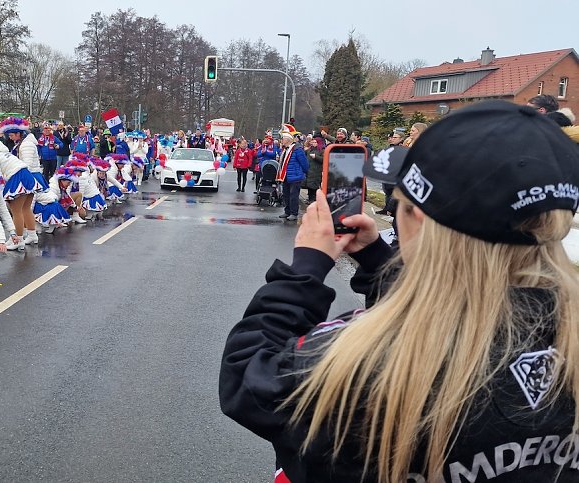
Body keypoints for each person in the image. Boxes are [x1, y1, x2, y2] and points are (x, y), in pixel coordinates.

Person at [219, 100, 579, 483]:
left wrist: (306, 269)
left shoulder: (371, 366)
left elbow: (249, 375)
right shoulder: (564, 338)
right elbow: (463, 307)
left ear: (418, 218)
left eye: (399, 205)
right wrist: (378, 261)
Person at [0, 129, 44, 250]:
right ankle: (32, 234)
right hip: (26, 175)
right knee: (26, 208)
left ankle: (18, 240)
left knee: (16, 211)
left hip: (17, 177)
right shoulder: (2, 151)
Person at [275, 125, 308, 221]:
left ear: (288, 139)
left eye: (283, 139)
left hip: (295, 176)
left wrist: (303, 173)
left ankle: (294, 213)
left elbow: (304, 164)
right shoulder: (285, 149)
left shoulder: (297, 149)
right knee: (286, 194)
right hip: (286, 176)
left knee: (293, 195)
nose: (281, 141)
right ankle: (287, 211)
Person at [303, 135, 324, 203]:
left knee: (314, 186)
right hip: (309, 170)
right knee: (309, 185)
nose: (314, 143)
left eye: (315, 142)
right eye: (313, 142)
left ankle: (314, 199)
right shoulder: (309, 150)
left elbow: (324, 160)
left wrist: (316, 157)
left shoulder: (321, 151)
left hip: (316, 171)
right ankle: (309, 198)